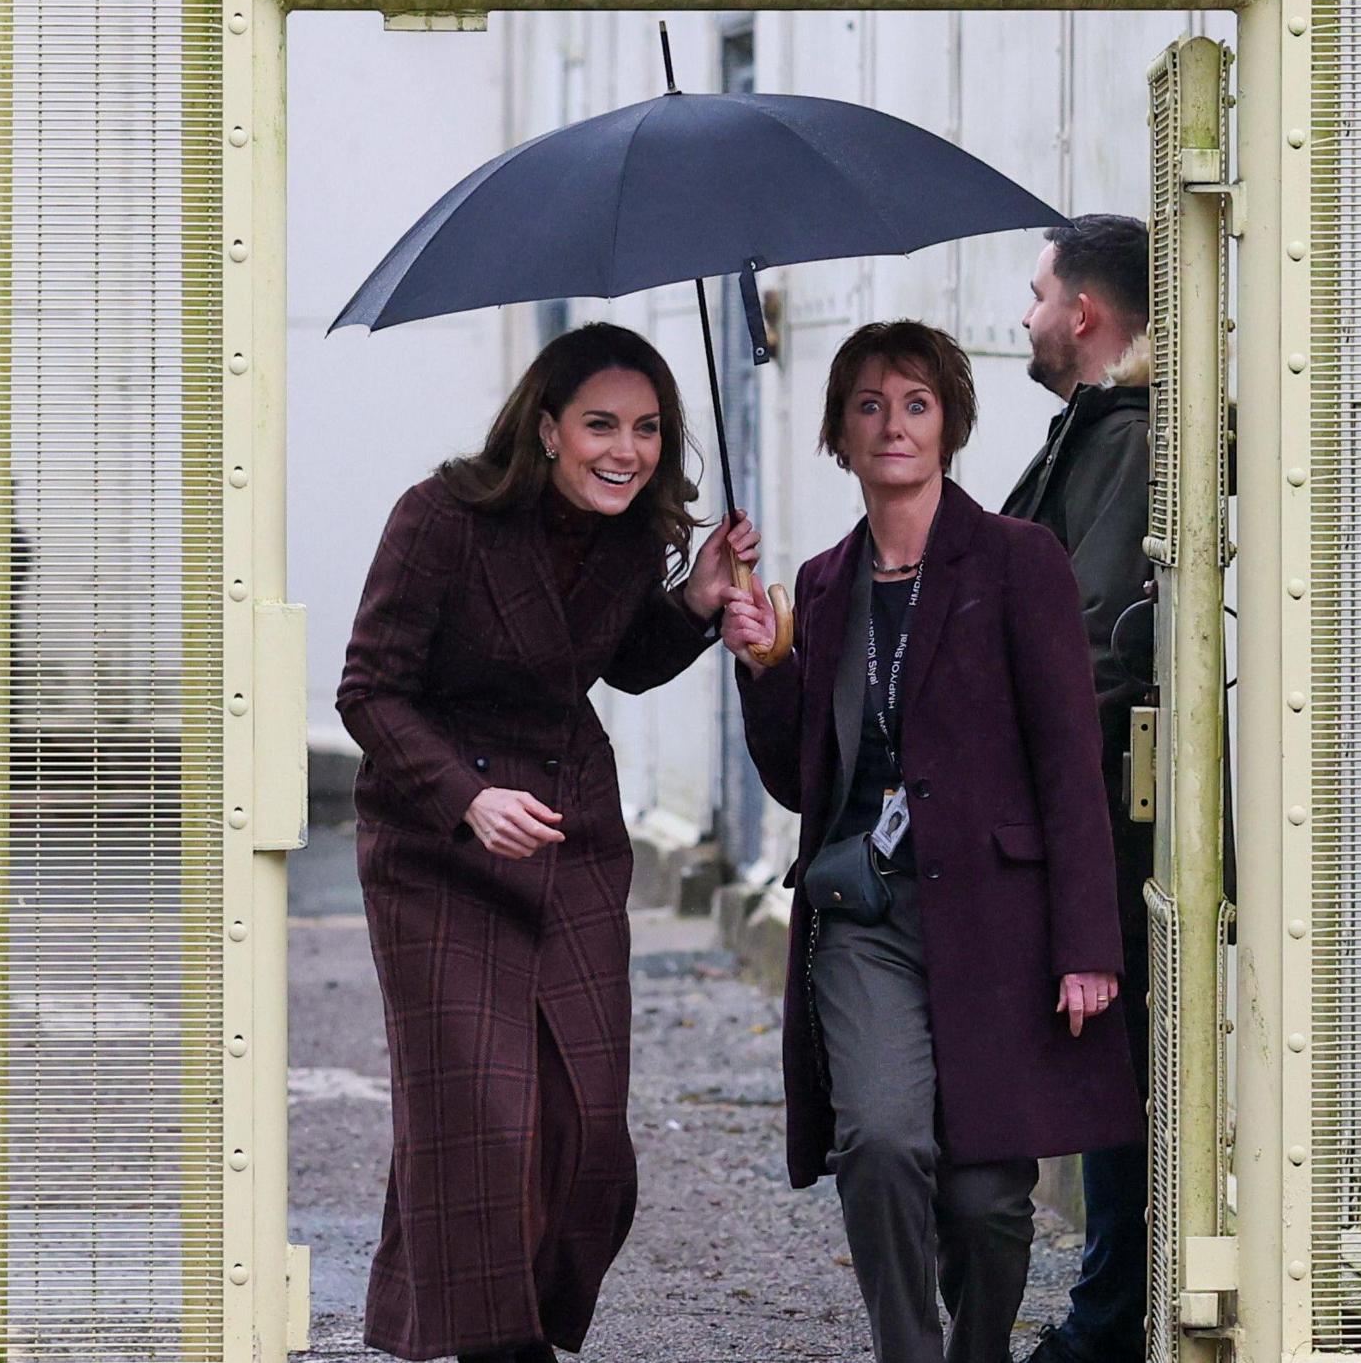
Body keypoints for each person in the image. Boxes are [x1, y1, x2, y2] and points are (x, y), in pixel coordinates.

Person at [722, 320, 1139, 1363]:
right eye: (867, 404)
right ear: (839, 435)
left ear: (948, 421)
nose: (892, 423)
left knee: (989, 1198)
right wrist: (768, 665)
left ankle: (976, 1350)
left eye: (913, 401)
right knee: (879, 1138)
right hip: (866, 913)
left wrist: (1087, 940)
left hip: (999, 916)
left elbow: (1067, 758)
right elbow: (798, 779)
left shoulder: (1016, 561)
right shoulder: (821, 584)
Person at [338, 322, 741, 1363]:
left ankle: (498, 1306)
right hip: (437, 850)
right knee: (482, 1118)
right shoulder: (442, 517)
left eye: (648, 428)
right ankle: (494, 1343)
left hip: (570, 837)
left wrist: (695, 598)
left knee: (584, 1132)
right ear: (548, 428)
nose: (628, 448)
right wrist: (467, 798)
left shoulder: (627, 531)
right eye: (601, 423)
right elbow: (368, 689)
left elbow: (618, 661)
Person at [1007, 214, 1156, 1363]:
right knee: (1117, 1067)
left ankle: (1109, 1323)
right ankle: (1111, 1312)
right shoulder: (1099, 431)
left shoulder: (1126, 436)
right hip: (1099, 810)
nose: (1026, 312)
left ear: (1084, 313)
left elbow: (1095, 638)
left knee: (1120, 1070)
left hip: (1110, 818)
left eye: (1037, 291)